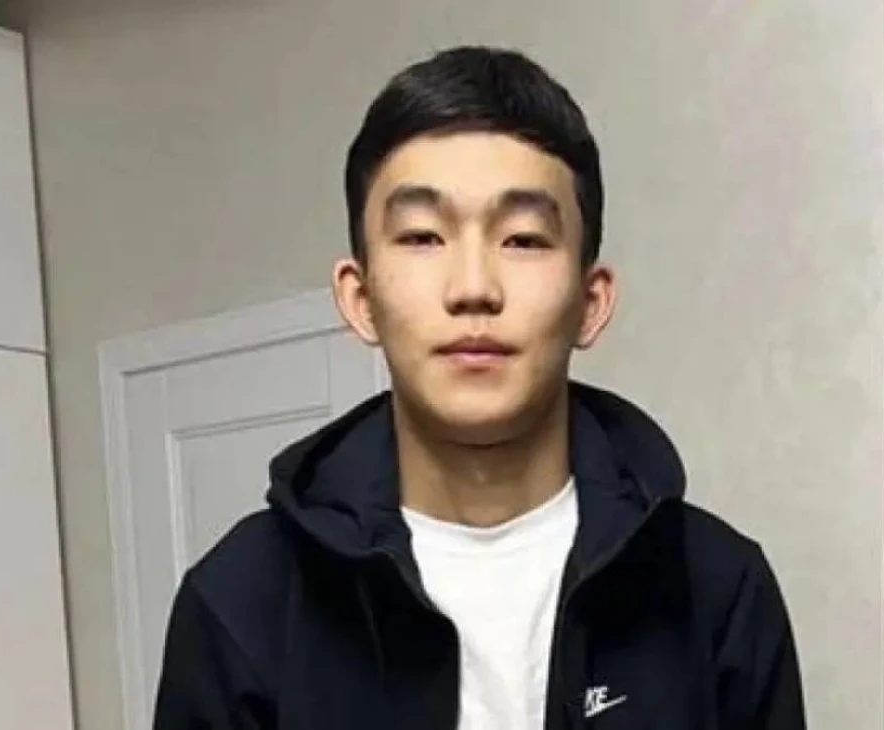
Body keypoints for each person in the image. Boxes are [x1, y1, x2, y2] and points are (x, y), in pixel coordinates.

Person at [153, 45, 806, 730]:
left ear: (590, 302)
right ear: (360, 298)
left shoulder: (717, 589)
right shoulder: (240, 603)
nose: (473, 288)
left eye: (522, 239)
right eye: (422, 237)